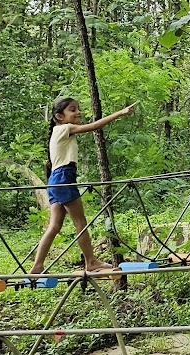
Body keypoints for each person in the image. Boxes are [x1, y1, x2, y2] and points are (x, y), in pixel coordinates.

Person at [30, 96, 134, 276]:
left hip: (56, 180)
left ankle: (37, 266)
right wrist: (120, 113)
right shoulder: (65, 128)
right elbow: (94, 127)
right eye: (72, 109)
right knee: (81, 222)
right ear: (59, 116)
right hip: (64, 178)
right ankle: (91, 262)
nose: (78, 112)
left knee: (54, 226)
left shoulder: (59, 131)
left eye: (77, 108)